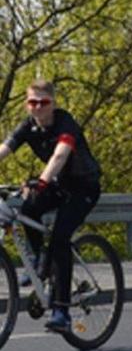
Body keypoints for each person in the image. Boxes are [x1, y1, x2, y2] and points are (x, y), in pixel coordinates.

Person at [0, 80, 101, 332]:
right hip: (58, 184)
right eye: (32, 102)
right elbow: (4, 148)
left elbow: (60, 155)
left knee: (59, 239)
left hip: (83, 188)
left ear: (53, 104)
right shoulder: (28, 126)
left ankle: (61, 311)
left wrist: (43, 181)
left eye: (43, 103)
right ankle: (37, 261)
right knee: (27, 208)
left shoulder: (65, 123)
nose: (37, 108)